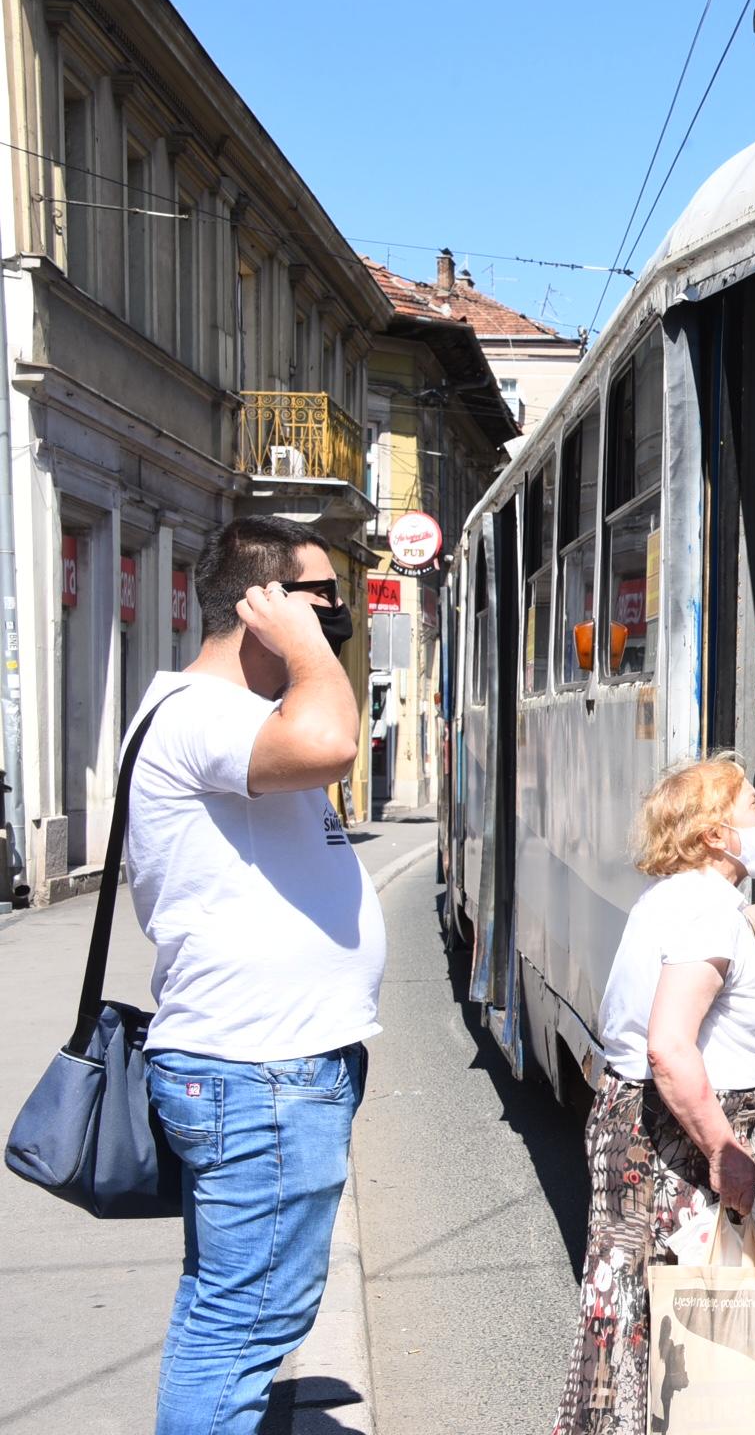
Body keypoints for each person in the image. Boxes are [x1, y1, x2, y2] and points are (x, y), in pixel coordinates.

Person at [132, 515, 378, 1435]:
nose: (339, 617)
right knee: (241, 1325)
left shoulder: (229, 718)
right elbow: (332, 746)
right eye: (322, 600)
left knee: (233, 1310)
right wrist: (309, 651)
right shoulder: (203, 713)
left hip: (266, 1070)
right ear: (261, 606)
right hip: (258, 1072)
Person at [553, 755, 755, 1435]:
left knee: (638, 1291)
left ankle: (704, 1407)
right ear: (714, 833)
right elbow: (670, 1047)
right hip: (679, 1129)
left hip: (645, 1120)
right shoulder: (706, 913)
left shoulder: (685, 900)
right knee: (720, 1268)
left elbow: (728, 945)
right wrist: (723, 1151)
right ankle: (719, 1408)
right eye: (753, 807)